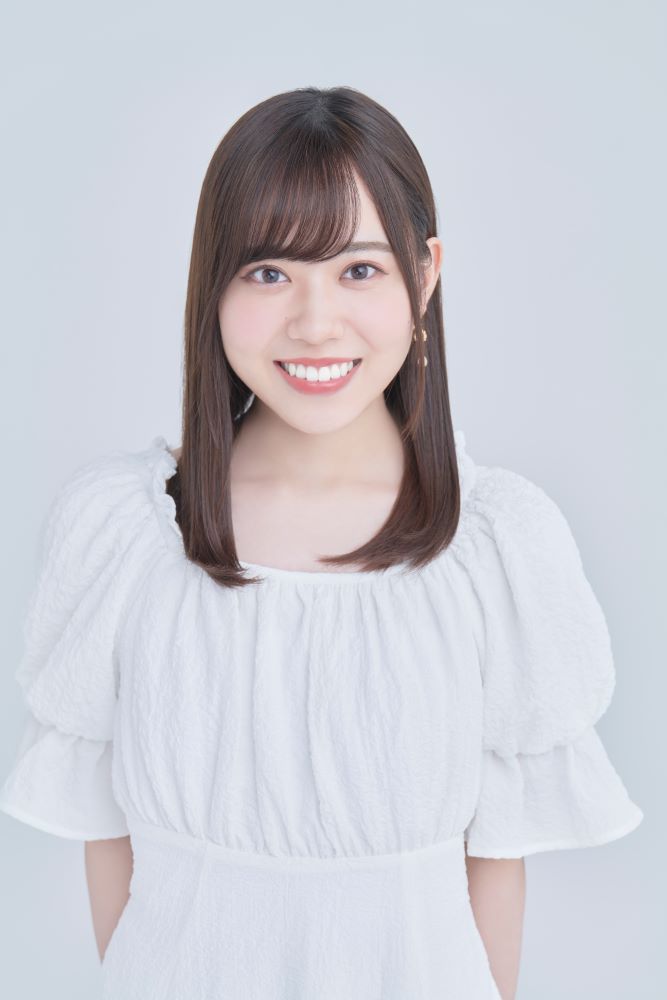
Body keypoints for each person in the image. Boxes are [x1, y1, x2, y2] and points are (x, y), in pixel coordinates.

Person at [0, 85, 643, 1000]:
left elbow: (495, 866)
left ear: (424, 275)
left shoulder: (495, 545)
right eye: (268, 273)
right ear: (212, 283)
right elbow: (109, 845)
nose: (313, 322)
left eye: (358, 270)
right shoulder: (127, 535)